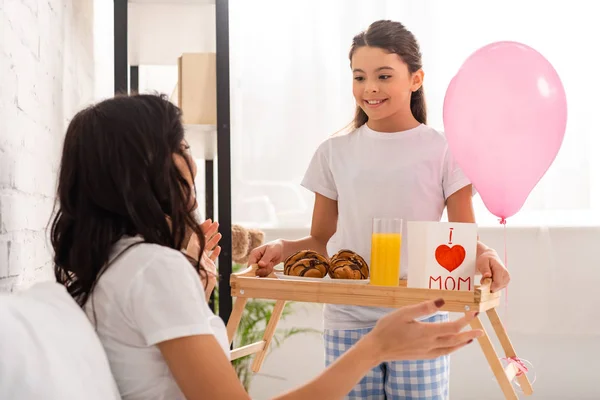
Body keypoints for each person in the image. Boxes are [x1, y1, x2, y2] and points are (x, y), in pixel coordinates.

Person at [51, 93, 482, 400]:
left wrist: (196, 287)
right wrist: (376, 347)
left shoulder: (120, 262)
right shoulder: (152, 269)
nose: (191, 162)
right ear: (141, 169)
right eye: (181, 146)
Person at [248, 20, 511, 400]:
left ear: (416, 79)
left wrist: (486, 256)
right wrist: (281, 248)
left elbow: (462, 239)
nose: (370, 88)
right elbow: (321, 241)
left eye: (384, 75)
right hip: (348, 318)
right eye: (359, 77)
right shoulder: (333, 152)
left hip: (419, 315)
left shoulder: (445, 150)